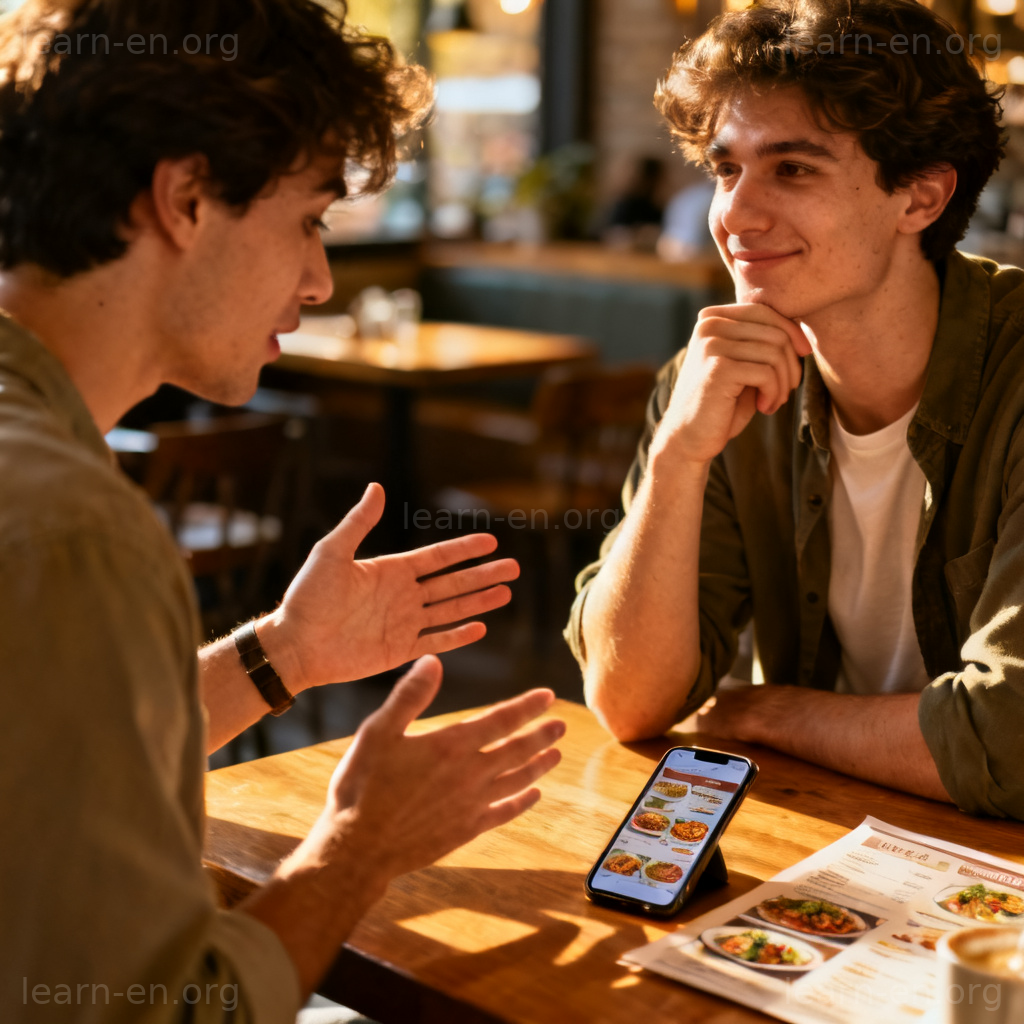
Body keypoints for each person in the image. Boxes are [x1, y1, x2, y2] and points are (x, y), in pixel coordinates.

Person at [0, 1, 564, 1021]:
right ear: (186, 198)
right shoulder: (74, 529)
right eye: (308, 217)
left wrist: (282, 654)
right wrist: (358, 847)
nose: (319, 278)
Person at [566, 0, 1024, 819]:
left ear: (920, 198)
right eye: (726, 169)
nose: (736, 216)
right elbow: (629, 701)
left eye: (794, 168)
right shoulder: (712, 379)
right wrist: (678, 455)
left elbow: (1010, 739)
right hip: (824, 828)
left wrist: (762, 710)